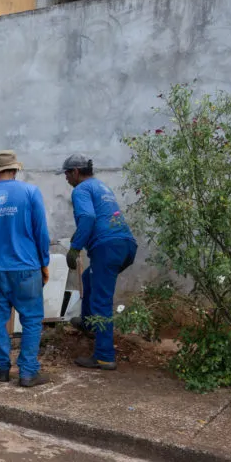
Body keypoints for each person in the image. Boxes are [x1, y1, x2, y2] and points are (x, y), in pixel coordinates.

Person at [0, 150, 51, 388]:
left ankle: (1, 368)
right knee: (32, 319)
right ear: (15, 170)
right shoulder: (30, 192)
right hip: (27, 268)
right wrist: (44, 263)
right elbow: (41, 233)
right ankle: (27, 372)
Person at [62, 153, 138, 371]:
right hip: (126, 245)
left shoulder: (81, 190)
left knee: (101, 300)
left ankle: (104, 356)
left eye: (67, 173)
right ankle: (88, 323)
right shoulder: (101, 187)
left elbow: (87, 218)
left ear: (76, 172)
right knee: (89, 277)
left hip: (107, 247)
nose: (66, 178)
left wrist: (75, 247)